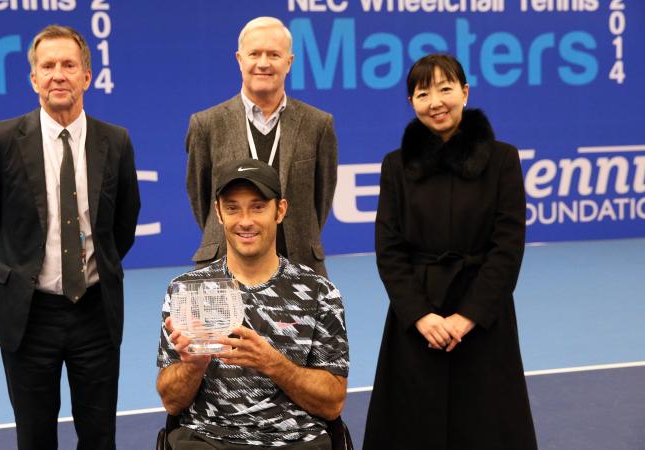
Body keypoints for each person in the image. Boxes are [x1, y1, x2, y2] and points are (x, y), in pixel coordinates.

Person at [0, 24, 140, 450]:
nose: (58, 74)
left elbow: (124, 222)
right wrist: (19, 271)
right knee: (35, 437)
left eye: (69, 65)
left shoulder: (115, 141)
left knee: (99, 437)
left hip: (96, 314)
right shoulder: (2, 139)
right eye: (47, 66)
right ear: (33, 78)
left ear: (87, 76)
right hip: (28, 317)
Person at [362, 54, 537, 449]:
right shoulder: (395, 166)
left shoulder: (503, 159)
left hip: (483, 320)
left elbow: (507, 247)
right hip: (417, 320)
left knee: (485, 425)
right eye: (423, 93)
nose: (436, 101)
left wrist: (468, 317)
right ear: (411, 103)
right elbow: (389, 249)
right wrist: (421, 315)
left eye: (445, 88)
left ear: (465, 91)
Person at [157, 159, 349, 449]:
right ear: (219, 213)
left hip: (296, 442)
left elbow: (332, 404)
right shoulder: (186, 291)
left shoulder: (320, 292)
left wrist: (273, 364)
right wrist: (193, 367)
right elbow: (172, 402)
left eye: (258, 207)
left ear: (280, 210)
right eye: (232, 207)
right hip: (207, 440)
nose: (245, 221)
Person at [185, 16, 338, 276]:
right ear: (239, 59)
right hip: (225, 265)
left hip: (300, 265)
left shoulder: (318, 124)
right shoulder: (206, 124)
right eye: (255, 53)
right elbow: (202, 199)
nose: (263, 63)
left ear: (289, 63)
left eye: (274, 54)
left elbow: (321, 199)